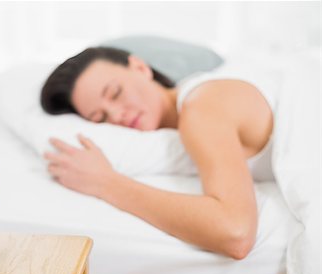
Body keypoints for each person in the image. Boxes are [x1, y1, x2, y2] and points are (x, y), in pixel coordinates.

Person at [40, 47, 274, 260]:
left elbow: (235, 232)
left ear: (141, 68)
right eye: (99, 118)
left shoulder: (201, 109)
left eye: (115, 93)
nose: (115, 114)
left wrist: (106, 183)